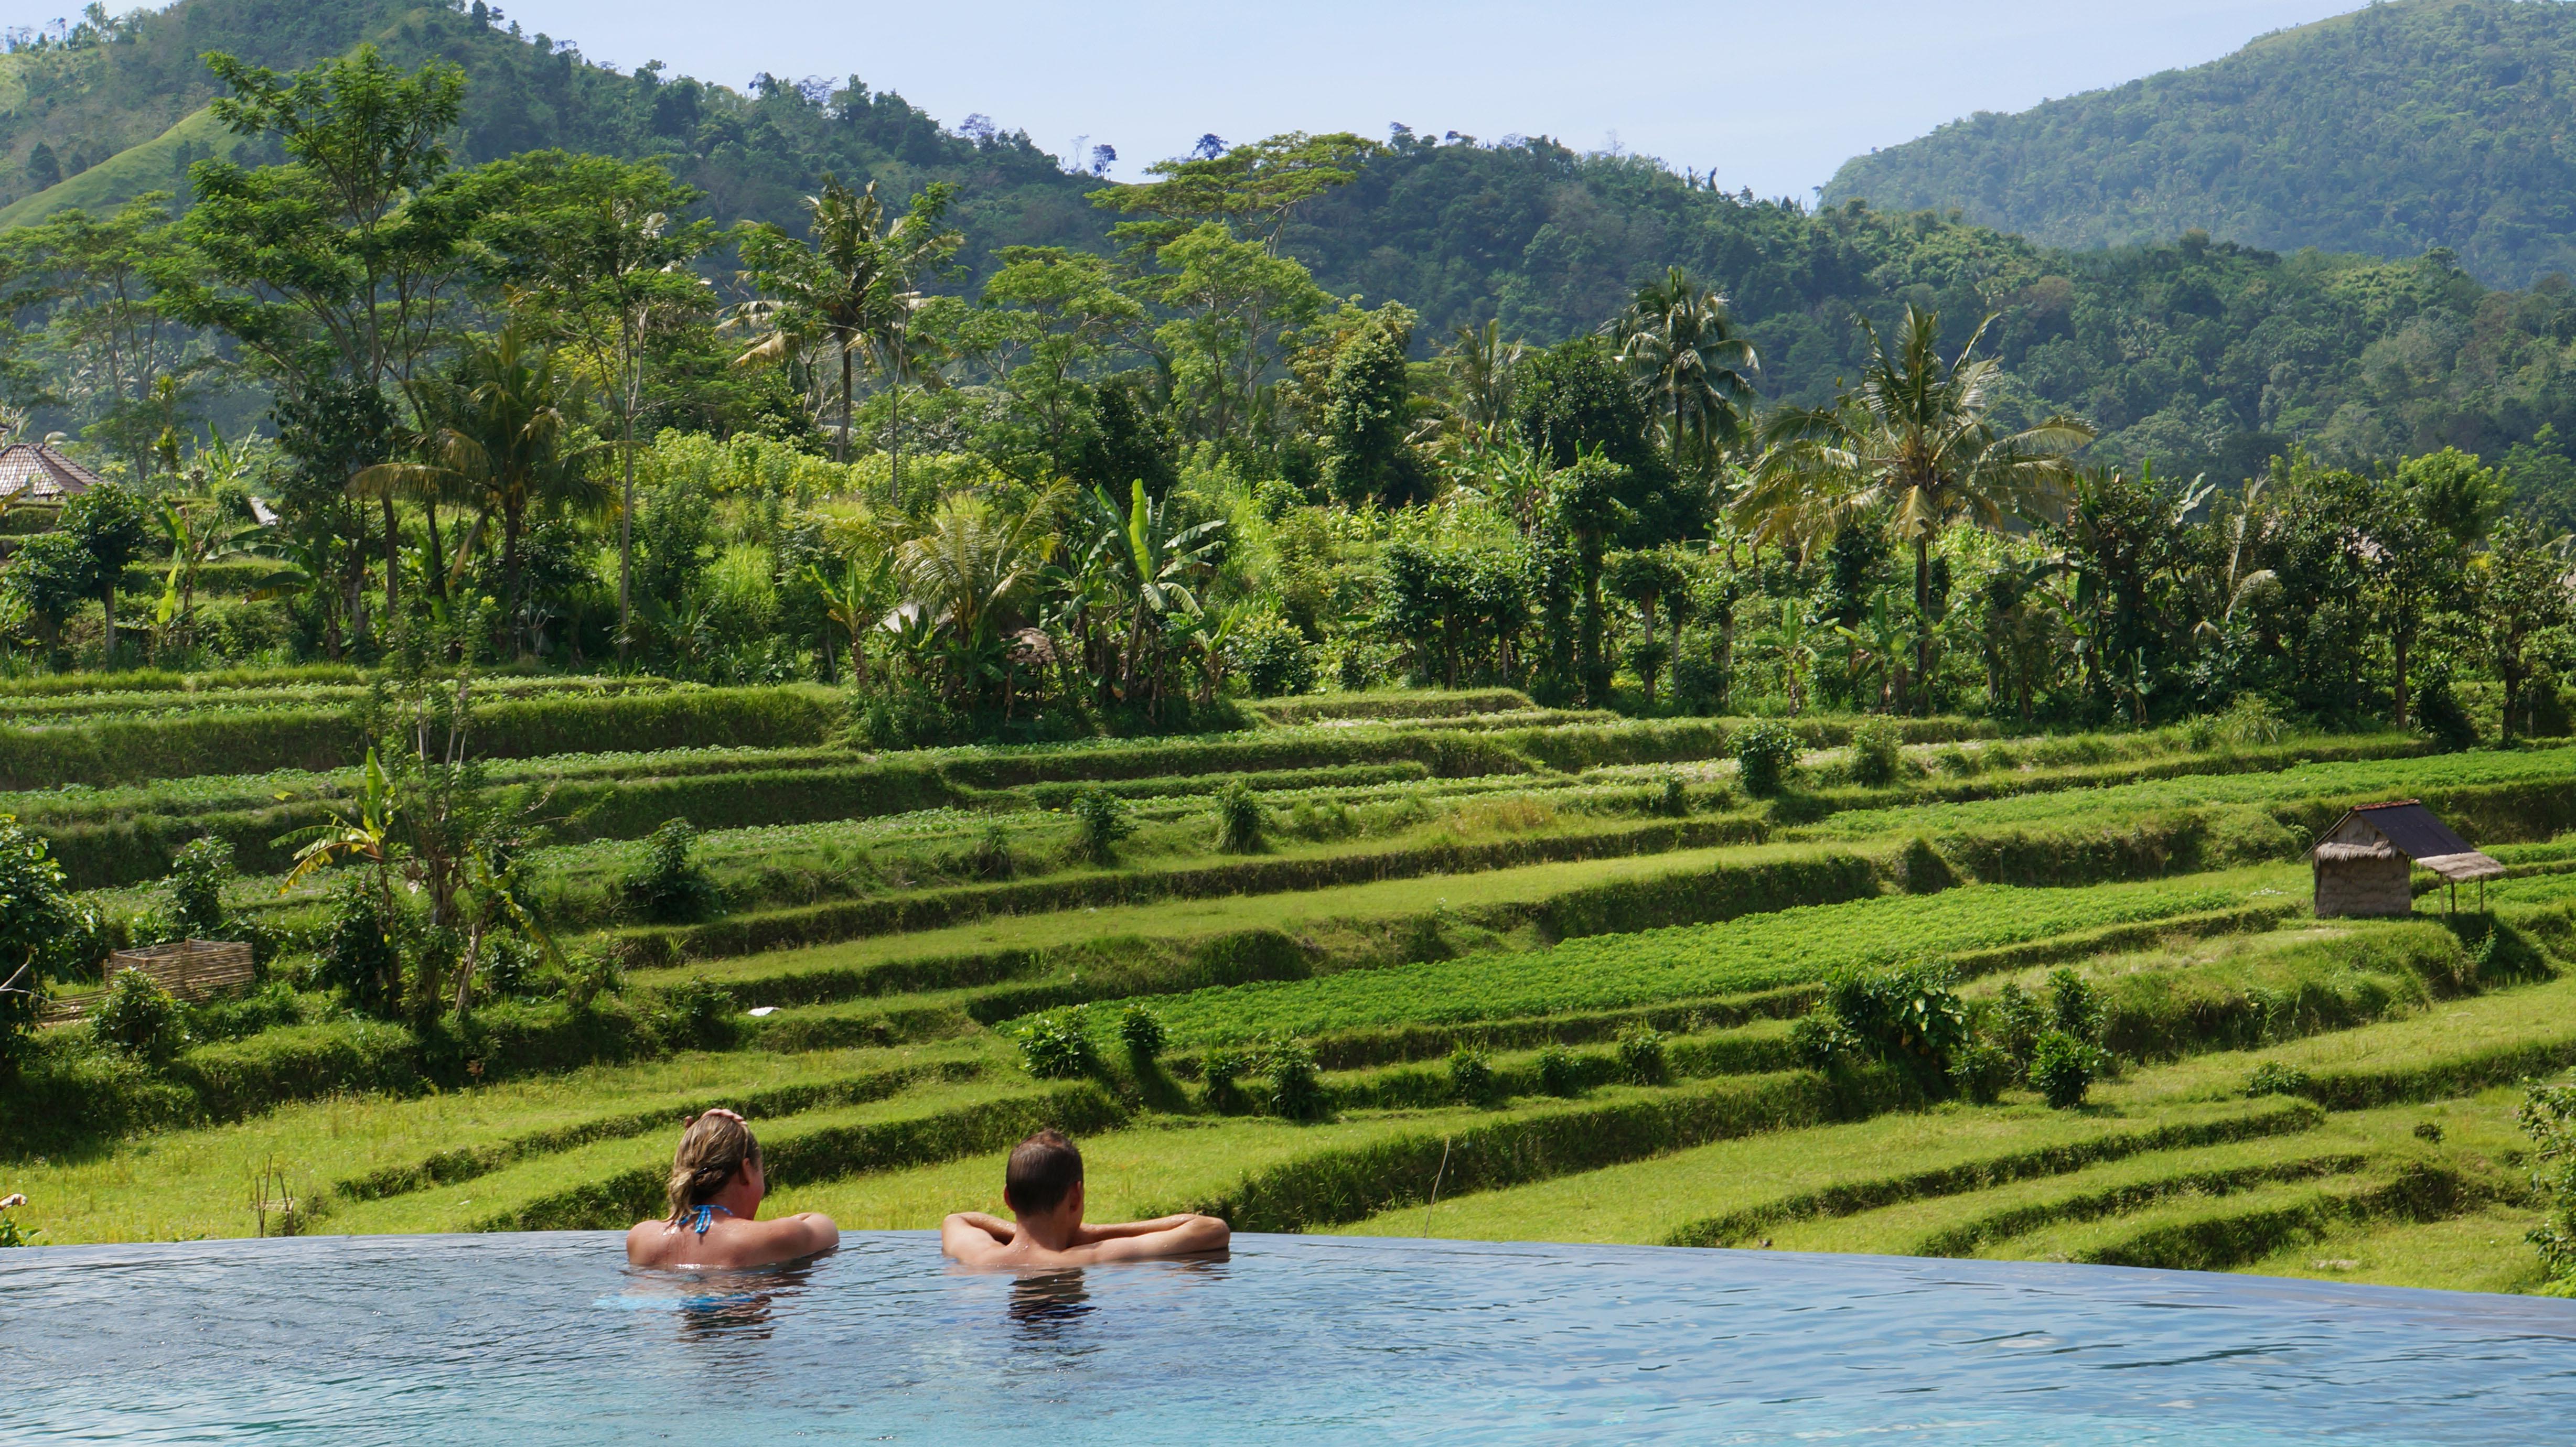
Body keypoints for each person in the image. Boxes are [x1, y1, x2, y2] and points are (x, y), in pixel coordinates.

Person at [941, 1129, 1230, 1267]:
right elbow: (1212, 1229)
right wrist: (1091, 1233)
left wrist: (1021, 1233)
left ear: (1009, 1198)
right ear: (1075, 1196)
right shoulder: (1090, 1256)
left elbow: (957, 1219)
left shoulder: (979, 1256)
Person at [626, 1109, 839, 1270]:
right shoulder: (779, 1237)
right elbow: (826, 1227)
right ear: (747, 1170)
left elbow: (681, 1226)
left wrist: (701, 1138)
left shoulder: (641, 1238)